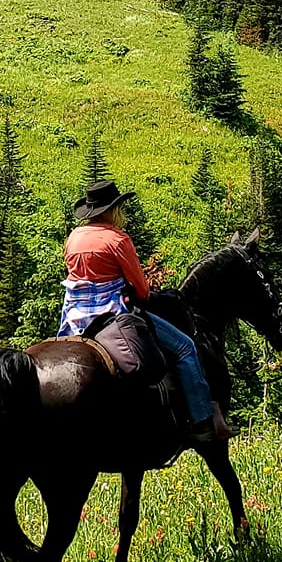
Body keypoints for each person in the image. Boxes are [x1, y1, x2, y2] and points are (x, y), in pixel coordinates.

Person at [59, 179, 233, 443]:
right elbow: (140, 290)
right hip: (111, 312)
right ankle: (201, 422)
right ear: (112, 210)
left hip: (74, 316)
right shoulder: (118, 239)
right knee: (186, 347)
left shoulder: (74, 238)